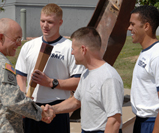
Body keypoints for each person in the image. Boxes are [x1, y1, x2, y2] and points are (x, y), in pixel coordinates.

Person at [0, 18, 54, 133]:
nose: (19, 43)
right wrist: (40, 112)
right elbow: (12, 100)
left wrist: (23, 108)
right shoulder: (0, 64)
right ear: (1, 37)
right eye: (16, 39)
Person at [15, 3, 85, 133]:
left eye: (50, 22)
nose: (45, 25)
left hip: (56, 109)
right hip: (31, 107)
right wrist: (24, 95)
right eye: (42, 21)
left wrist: (51, 82)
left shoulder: (69, 47)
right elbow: (21, 75)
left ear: (60, 22)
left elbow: (78, 82)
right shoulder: (29, 46)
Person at [44, 27, 124, 133]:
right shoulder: (86, 73)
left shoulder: (109, 78)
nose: (72, 53)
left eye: (73, 49)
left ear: (83, 49)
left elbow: (114, 121)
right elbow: (76, 101)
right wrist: (52, 109)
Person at [128, 5, 159, 133]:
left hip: (152, 123)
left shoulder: (156, 55)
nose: (129, 28)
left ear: (146, 26)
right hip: (141, 121)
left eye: (132, 24)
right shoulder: (147, 52)